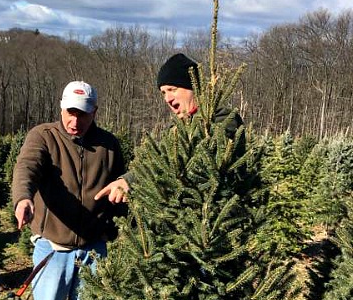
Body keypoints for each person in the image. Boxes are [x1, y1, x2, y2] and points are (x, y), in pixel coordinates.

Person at [12, 81, 125, 300]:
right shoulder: (44, 136)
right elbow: (27, 168)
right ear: (61, 108)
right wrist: (23, 198)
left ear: (95, 113)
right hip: (54, 245)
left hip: (93, 247)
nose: (75, 121)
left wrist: (123, 193)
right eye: (70, 112)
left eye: (83, 114)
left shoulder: (109, 145)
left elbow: (123, 182)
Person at [95, 53, 244, 204]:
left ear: (194, 87)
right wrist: (126, 181)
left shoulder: (224, 118)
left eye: (172, 89)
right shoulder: (174, 129)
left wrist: (131, 182)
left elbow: (199, 157)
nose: (167, 99)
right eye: (163, 93)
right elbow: (157, 161)